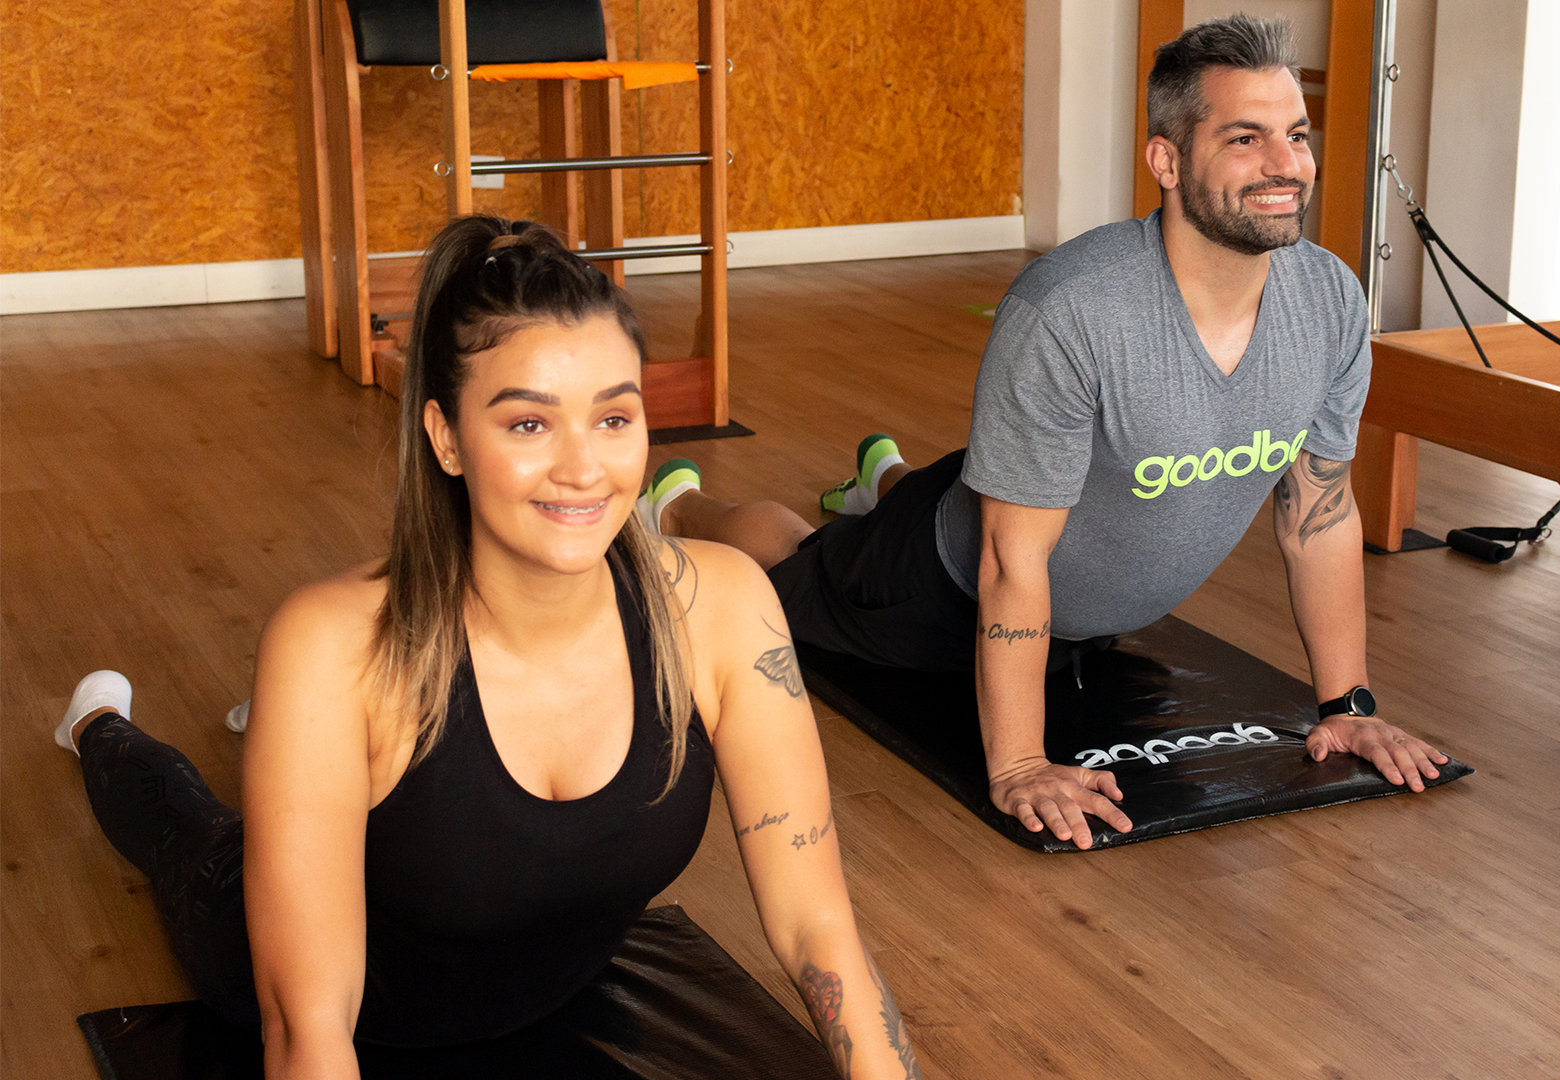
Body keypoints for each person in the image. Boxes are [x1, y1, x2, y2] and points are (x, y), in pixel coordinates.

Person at [53, 217, 919, 1080]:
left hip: (551, 992)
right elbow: (307, 1032)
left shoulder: (723, 607)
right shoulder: (334, 644)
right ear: (445, 438)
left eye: (614, 417)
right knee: (183, 832)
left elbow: (817, 925)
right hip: (342, 1015)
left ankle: (302, 747)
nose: (584, 469)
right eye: (529, 426)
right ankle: (99, 725)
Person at [649, 14, 1449, 852]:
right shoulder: (1073, 308)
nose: (1286, 164)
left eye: (1295, 134)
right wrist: (1021, 761)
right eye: (1246, 139)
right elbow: (1010, 559)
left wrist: (1347, 709)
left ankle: (885, 478)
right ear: (1166, 161)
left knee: (991, 495)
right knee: (796, 563)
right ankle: (681, 507)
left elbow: (1318, 516)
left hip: (1061, 576)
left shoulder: (1328, 302)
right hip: (945, 584)